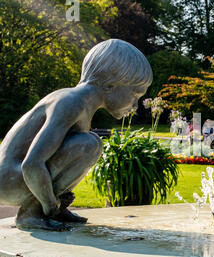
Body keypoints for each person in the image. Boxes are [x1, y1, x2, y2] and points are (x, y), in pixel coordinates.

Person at [0, 39, 153, 230]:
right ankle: (31, 214)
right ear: (112, 83)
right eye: (135, 95)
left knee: (92, 143)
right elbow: (31, 164)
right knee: (88, 144)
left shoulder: (81, 103)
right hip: (9, 180)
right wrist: (50, 204)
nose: (135, 105)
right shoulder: (71, 102)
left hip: (18, 178)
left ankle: (51, 208)